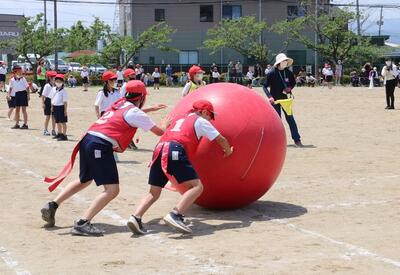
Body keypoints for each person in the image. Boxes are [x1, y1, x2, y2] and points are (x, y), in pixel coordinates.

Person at [40, 80, 168, 236]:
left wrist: (149, 110)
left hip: (88, 139)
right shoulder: (135, 113)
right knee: (112, 189)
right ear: (141, 97)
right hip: (100, 145)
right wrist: (165, 123)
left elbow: (129, 114)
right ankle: (82, 223)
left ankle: (53, 205)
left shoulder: (120, 103)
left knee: (84, 179)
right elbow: (159, 132)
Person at [127, 100, 233, 234]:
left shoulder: (179, 118)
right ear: (205, 112)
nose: (210, 119)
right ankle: (176, 214)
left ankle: (136, 217)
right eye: (210, 116)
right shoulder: (200, 121)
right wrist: (228, 151)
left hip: (159, 149)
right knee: (197, 187)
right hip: (175, 149)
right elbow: (221, 139)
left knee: (154, 192)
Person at [262, 53, 303, 147]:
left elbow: (293, 83)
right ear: (279, 63)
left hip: (286, 100)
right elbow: (264, 86)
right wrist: (270, 97)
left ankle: (297, 140)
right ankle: (277, 142)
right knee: (277, 122)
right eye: (283, 61)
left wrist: (290, 88)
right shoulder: (271, 73)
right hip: (275, 101)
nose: (285, 63)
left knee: (291, 119)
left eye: (286, 61)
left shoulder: (288, 72)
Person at [51, 74, 68, 141]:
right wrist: (52, 106)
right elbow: (52, 98)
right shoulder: (53, 89)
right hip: (55, 107)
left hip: (61, 107)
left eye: (59, 81)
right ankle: (59, 133)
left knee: (63, 122)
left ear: (62, 82)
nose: (58, 82)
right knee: (57, 121)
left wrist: (65, 110)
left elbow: (65, 102)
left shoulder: (63, 91)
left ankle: (64, 135)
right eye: (56, 81)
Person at [42, 71, 57, 136]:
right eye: (54, 77)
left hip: (54, 101)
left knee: (53, 117)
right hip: (48, 101)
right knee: (48, 116)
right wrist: (43, 103)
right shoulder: (47, 86)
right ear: (50, 78)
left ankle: (53, 130)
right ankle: (45, 130)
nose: (55, 78)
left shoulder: (56, 85)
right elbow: (43, 96)